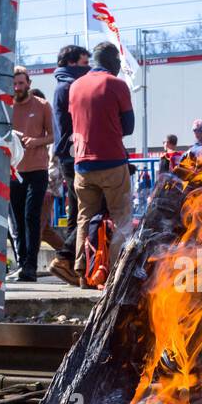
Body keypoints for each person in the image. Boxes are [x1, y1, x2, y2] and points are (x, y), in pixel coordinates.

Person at [69, 41, 134, 287]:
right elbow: (128, 127)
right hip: (112, 161)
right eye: (118, 61)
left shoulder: (75, 86)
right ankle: (115, 273)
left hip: (82, 164)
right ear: (112, 62)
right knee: (121, 217)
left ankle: (82, 271)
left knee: (84, 217)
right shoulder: (117, 85)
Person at [48, 43, 90, 285]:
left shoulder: (63, 85)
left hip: (69, 154)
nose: (89, 69)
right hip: (74, 154)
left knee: (76, 210)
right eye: (85, 63)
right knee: (89, 207)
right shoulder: (69, 87)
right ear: (72, 63)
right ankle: (65, 258)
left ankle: (73, 266)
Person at [8, 65, 55, 283]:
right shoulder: (5, 106)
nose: (17, 87)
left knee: (31, 216)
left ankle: (30, 266)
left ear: (28, 84)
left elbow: (52, 136)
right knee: (17, 220)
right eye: (14, 83)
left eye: (21, 83)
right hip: (13, 170)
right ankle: (21, 263)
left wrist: (36, 141)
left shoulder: (43, 105)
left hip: (37, 169)